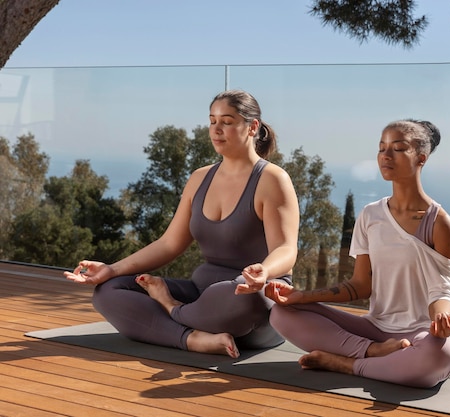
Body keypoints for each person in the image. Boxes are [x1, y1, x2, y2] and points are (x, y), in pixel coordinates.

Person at [64, 89, 300, 358]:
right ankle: (192, 338)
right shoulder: (200, 178)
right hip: (202, 295)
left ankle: (170, 309)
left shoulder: (272, 179)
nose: (216, 129)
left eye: (227, 121)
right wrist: (111, 269)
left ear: (252, 127)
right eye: (212, 121)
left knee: (243, 296)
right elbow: (168, 243)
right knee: (108, 292)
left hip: (251, 299)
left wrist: (264, 270)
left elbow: (286, 251)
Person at [265, 119, 450, 388]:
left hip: (422, 332)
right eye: (382, 148)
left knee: (439, 357)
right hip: (377, 330)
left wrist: (443, 316)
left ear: (421, 158)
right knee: (281, 313)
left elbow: (443, 289)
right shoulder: (371, 215)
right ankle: (372, 353)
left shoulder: (439, 222)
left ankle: (346, 364)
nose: (386, 155)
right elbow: (360, 285)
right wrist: (301, 296)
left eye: (399, 148)